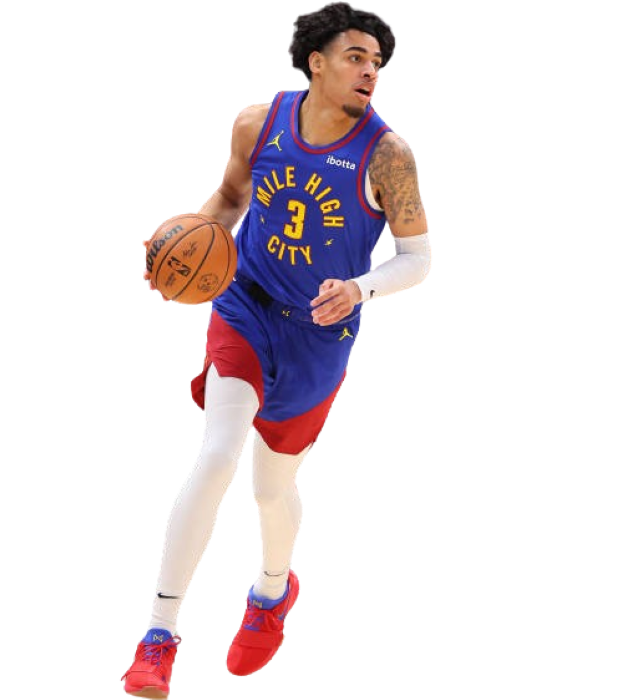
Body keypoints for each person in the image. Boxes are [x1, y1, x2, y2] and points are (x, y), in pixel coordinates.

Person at [122, 2, 432, 697]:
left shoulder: (389, 155)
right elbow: (229, 201)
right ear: (316, 62)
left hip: (319, 333)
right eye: (356, 57)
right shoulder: (257, 123)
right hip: (245, 308)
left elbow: (419, 259)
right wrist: (177, 249)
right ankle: (158, 635)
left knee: (273, 484)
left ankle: (269, 593)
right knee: (217, 454)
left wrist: (359, 288)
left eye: (377, 62)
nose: (370, 71)